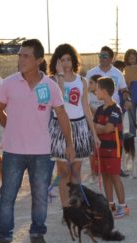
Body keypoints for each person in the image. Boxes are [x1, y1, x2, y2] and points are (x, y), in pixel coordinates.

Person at [0, 39, 75, 243]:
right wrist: (11, 128)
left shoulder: (50, 86)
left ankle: (37, 234)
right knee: (7, 195)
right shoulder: (9, 83)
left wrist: (69, 144)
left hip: (42, 152)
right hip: (13, 151)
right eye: (20, 55)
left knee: (40, 195)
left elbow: (62, 115)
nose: (21, 59)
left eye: (26, 56)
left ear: (39, 60)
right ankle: (4, 239)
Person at [48, 43, 100, 208]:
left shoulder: (82, 81)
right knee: (63, 173)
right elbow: (60, 97)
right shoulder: (53, 80)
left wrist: (94, 134)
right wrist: (60, 76)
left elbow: (85, 108)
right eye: (62, 60)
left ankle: (76, 207)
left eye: (68, 59)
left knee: (76, 172)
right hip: (59, 128)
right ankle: (67, 210)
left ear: (74, 60)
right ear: (57, 62)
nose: (65, 63)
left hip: (80, 128)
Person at [94, 77, 129, 218]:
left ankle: (123, 207)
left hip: (114, 149)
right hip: (101, 149)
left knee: (115, 177)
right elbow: (94, 127)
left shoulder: (116, 109)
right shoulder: (99, 109)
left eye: (96, 89)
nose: (95, 91)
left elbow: (108, 128)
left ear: (104, 91)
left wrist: (98, 128)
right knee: (105, 177)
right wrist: (98, 128)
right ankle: (110, 206)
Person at [87, 74, 103, 183]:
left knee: (101, 148)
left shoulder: (103, 95)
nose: (89, 85)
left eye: (91, 82)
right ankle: (93, 170)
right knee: (92, 149)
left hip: (102, 126)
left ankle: (101, 170)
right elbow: (88, 109)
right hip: (91, 125)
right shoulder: (87, 95)